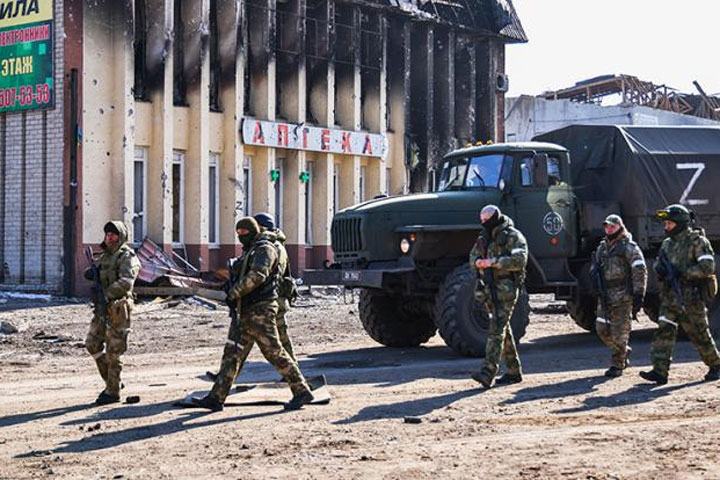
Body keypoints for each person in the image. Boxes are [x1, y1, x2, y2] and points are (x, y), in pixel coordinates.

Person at [191, 217, 314, 411]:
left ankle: (301, 391)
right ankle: (216, 397)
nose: (241, 237)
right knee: (232, 354)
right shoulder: (252, 249)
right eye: (238, 234)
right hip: (244, 310)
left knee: (274, 352)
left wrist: (234, 292)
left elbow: (258, 275)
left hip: (260, 310)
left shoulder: (265, 249)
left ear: (254, 231)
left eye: (244, 233)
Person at [640, 205, 720, 385]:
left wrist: (683, 273)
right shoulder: (667, 243)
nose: (666, 226)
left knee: (699, 333)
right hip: (670, 296)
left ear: (680, 223)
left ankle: (716, 365)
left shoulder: (697, 241)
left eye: (669, 223)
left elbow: (708, 267)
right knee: (664, 331)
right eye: (666, 223)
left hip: (690, 297)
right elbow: (659, 263)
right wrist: (659, 269)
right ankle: (660, 371)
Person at [470, 205, 528, 388]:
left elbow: (520, 261)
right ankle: (514, 372)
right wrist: (478, 263)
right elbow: (473, 257)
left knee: (496, 330)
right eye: (482, 220)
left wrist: (495, 263)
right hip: (489, 288)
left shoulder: (513, 236)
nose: (483, 223)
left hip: (506, 288)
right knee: (504, 330)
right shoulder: (484, 238)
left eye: (487, 219)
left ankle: (488, 372)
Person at [84, 221, 141, 405]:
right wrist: (91, 273)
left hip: (118, 308)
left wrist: (107, 294)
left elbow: (126, 281)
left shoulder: (127, 257)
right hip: (102, 308)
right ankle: (112, 381)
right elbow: (96, 272)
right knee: (92, 344)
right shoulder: (105, 256)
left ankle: (112, 392)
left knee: (114, 351)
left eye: (114, 234)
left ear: (121, 236)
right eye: (107, 233)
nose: (109, 237)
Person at [591, 214, 647, 378]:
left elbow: (639, 270)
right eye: (607, 226)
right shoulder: (603, 247)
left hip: (623, 297)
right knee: (601, 329)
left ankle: (617, 364)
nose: (609, 229)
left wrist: (639, 294)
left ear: (620, 227)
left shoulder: (629, 247)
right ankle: (623, 351)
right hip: (606, 296)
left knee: (620, 333)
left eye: (612, 226)